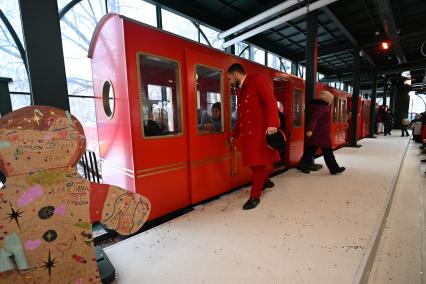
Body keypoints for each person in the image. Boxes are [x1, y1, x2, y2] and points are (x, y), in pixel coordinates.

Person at [228, 63, 280, 210]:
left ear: (236, 75)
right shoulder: (241, 91)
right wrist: (234, 134)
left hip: (260, 134)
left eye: (230, 78)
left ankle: (255, 197)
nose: (230, 82)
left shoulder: (257, 79)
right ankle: (266, 181)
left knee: (257, 166)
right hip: (249, 136)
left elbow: (271, 101)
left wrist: (273, 124)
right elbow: (241, 116)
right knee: (253, 163)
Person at [297, 90, 345, 175]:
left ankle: (303, 165)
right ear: (327, 100)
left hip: (317, 133)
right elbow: (314, 118)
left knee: (310, 150)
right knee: (327, 152)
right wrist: (310, 130)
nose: (331, 102)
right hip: (321, 134)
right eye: (330, 100)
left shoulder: (316, 105)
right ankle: (334, 169)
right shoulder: (322, 107)